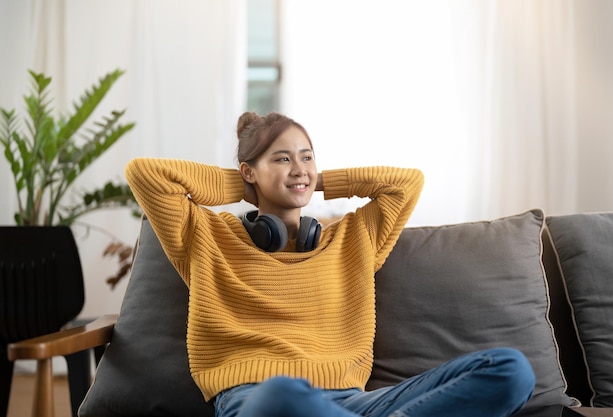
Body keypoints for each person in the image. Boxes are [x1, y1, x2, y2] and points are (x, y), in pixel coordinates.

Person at [125, 112, 536, 417]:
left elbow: (406, 183)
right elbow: (146, 173)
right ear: (249, 170)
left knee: (509, 369)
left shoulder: (352, 238)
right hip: (256, 399)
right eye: (282, 159)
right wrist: (248, 184)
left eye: (307, 157)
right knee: (281, 397)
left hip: (354, 403)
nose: (299, 168)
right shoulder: (205, 237)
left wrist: (310, 179)